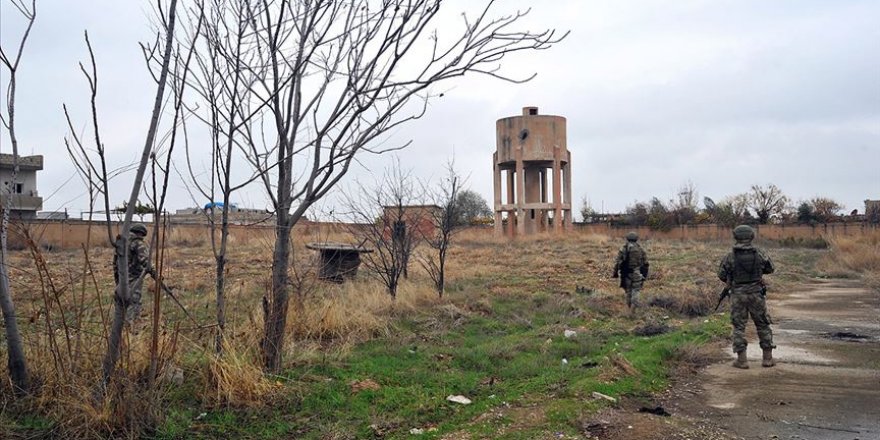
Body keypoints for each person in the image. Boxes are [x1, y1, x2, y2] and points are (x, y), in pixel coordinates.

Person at [718, 225, 776, 369]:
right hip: (757, 293)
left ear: (736, 236)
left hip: (738, 295)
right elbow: (770, 268)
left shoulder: (730, 256)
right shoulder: (760, 253)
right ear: (751, 236)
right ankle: (767, 359)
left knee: (739, 326)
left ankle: (742, 360)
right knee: (762, 324)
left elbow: (721, 275)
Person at [112, 223, 154, 322]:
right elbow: (144, 261)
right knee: (134, 302)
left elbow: (115, 263)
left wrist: (117, 279)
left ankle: (119, 324)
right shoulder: (138, 243)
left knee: (120, 302)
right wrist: (153, 272)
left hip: (121, 278)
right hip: (134, 278)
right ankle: (131, 326)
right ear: (141, 233)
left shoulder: (121, 244)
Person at [612, 231, 649, 309]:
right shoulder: (640, 249)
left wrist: (615, 273)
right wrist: (644, 275)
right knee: (636, 290)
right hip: (637, 273)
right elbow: (646, 263)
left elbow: (618, 262)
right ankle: (634, 308)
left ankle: (629, 309)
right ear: (636, 239)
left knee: (628, 291)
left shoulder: (624, 249)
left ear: (627, 238)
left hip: (626, 274)